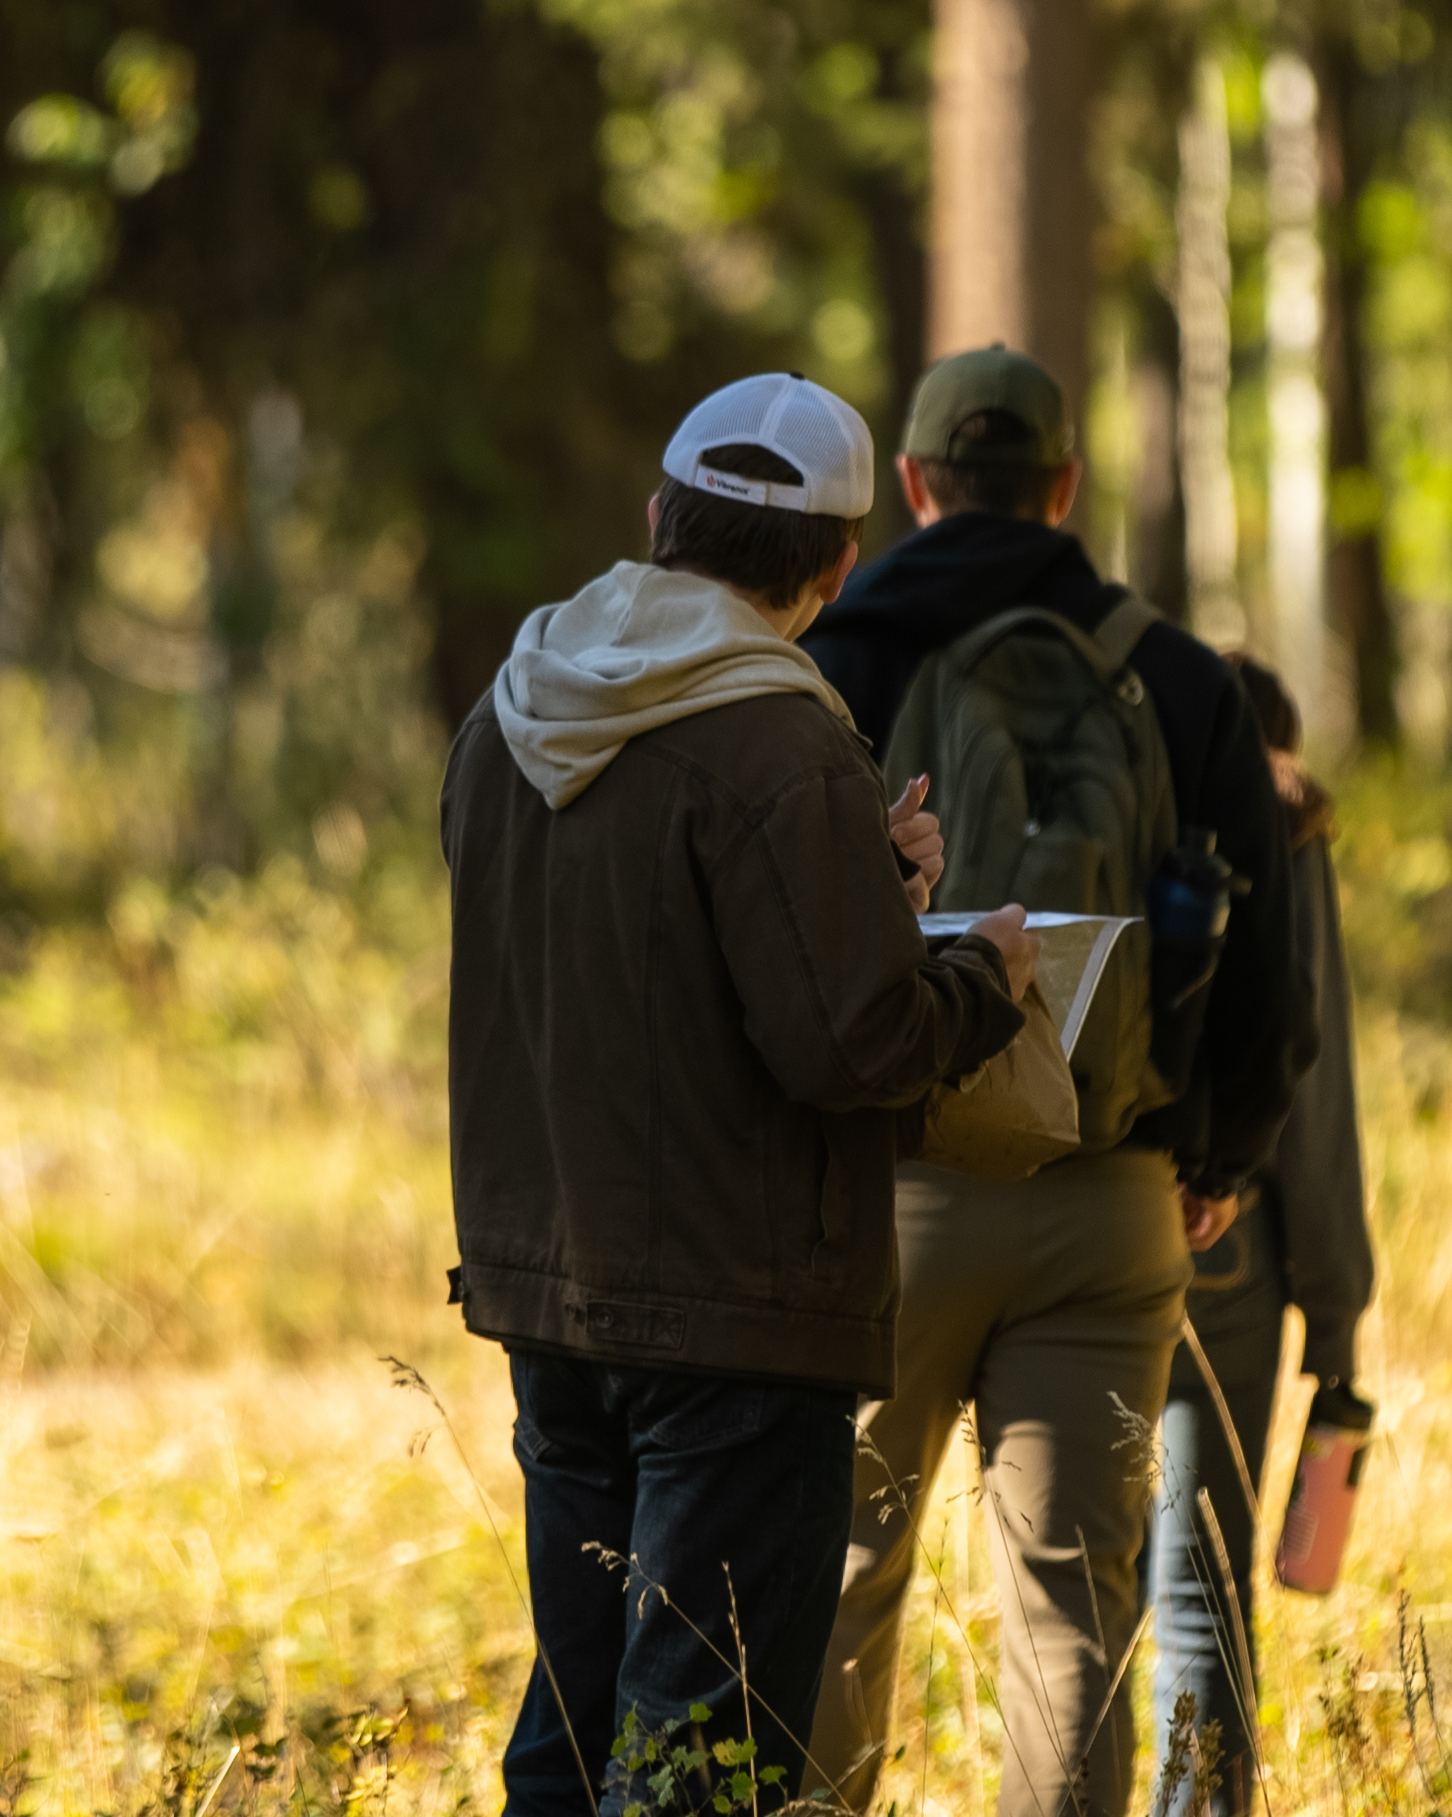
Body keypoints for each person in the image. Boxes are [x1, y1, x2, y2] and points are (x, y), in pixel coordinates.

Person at [444, 371, 1044, 1817]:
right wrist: (986, 976)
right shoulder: (778, 738)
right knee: (703, 1752)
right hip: (740, 1314)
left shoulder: (509, 711)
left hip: (550, 1297)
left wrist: (869, 883)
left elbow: (623, 962)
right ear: (836, 568)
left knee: (575, 1733)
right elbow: (854, 1043)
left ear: (659, 517)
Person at [798, 347, 1309, 1817]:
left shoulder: (835, 661)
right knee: (1077, 1617)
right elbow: (1275, 967)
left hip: (875, 1210)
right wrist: (1218, 1155)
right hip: (1110, 1198)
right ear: (1066, 487)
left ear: (909, 486)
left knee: (837, 1586)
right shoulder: (1180, 676)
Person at [1140, 654, 1369, 1817]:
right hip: (1226, 1242)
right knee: (1200, 1596)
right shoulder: (1287, 825)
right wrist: (1337, 1315)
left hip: (1080, 1219)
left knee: (1076, 1591)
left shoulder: (1123, 796)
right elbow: (1311, 1090)